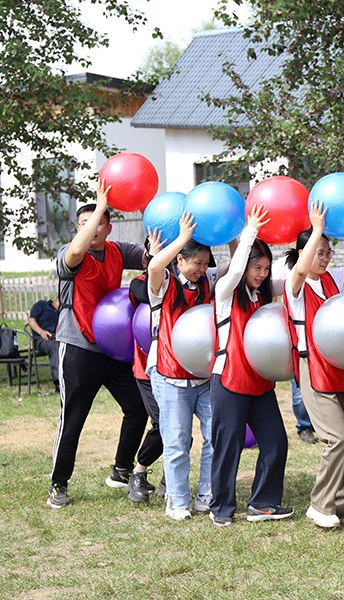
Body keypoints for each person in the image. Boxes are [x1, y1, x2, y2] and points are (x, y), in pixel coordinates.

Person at [47, 179, 150, 509]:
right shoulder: (69, 253)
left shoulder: (117, 250)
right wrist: (101, 205)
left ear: (108, 228)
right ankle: (59, 484)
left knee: (138, 407)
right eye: (84, 223)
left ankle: (121, 469)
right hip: (78, 347)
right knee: (73, 418)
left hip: (114, 348)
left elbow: (151, 259)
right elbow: (76, 252)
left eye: (98, 222)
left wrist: (153, 218)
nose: (91, 228)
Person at [284, 202, 344, 529]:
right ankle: (319, 504)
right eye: (319, 252)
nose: (324, 258)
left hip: (339, 364)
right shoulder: (294, 284)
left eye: (327, 252)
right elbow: (299, 271)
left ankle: (341, 506)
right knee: (338, 438)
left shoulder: (332, 278)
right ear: (303, 252)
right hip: (312, 367)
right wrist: (317, 228)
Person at [209, 206, 293, 526]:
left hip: (259, 382)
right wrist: (249, 234)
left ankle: (263, 503)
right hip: (229, 379)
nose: (261, 273)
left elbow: (295, 278)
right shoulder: (226, 291)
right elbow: (233, 273)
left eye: (266, 268)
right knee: (227, 448)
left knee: (276, 442)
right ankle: (221, 508)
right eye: (257, 267)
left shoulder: (263, 295)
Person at [146, 213, 218, 521]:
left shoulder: (207, 283)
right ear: (179, 260)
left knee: (216, 435)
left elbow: (235, 269)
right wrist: (182, 238)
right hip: (171, 377)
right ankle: (177, 501)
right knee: (177, 442)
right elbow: (154, 267)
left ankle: (206, 494)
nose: (202, 269)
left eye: (205, 263)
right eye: (196, 263)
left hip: (202, 377)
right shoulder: (165, 285)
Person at [124, 232, 167, 503]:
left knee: (179, 428)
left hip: (179, 368)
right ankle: (138, 473)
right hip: (147, 369)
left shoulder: (187, 282)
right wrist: (155, 261)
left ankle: (170, 477)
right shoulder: (138, 284)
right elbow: (148, 296)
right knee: (163, 424)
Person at [271, 253, 318, 444]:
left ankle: (320, 424)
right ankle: (304, 426)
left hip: (319, 342)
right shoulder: (284, 266)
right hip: (297, 342)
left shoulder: (323, 275)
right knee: (299, 391)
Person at [27, 297, 61, 392]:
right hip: (42, 339)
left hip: (58, 338)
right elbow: (31, 321)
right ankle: (58, 383)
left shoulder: (63, 313)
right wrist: (41, 332)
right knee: (55, 347)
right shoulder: (41, 305)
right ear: (57, 299)